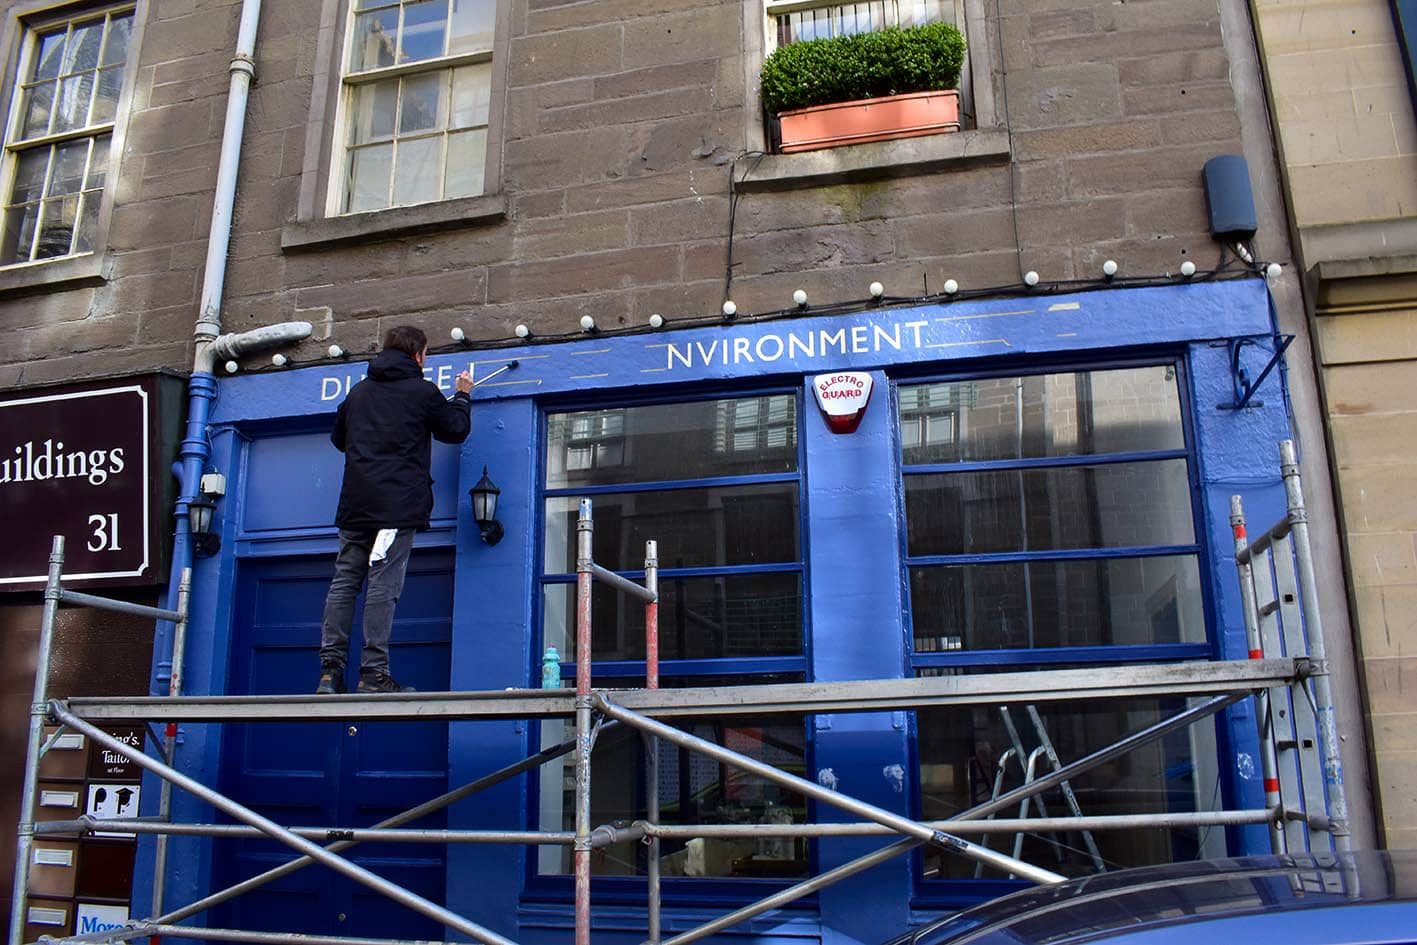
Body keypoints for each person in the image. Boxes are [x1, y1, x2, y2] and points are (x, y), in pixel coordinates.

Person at [316, 325, 473, 694]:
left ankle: (329, 672)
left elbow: (339, 439)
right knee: (383, 586)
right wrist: (463, 397)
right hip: (396, 508)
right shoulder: (422, 392)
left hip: (356, 505)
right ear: (419, 355)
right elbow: (454, 430)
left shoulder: (358, 393)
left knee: (344, 582)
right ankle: (373, 674)